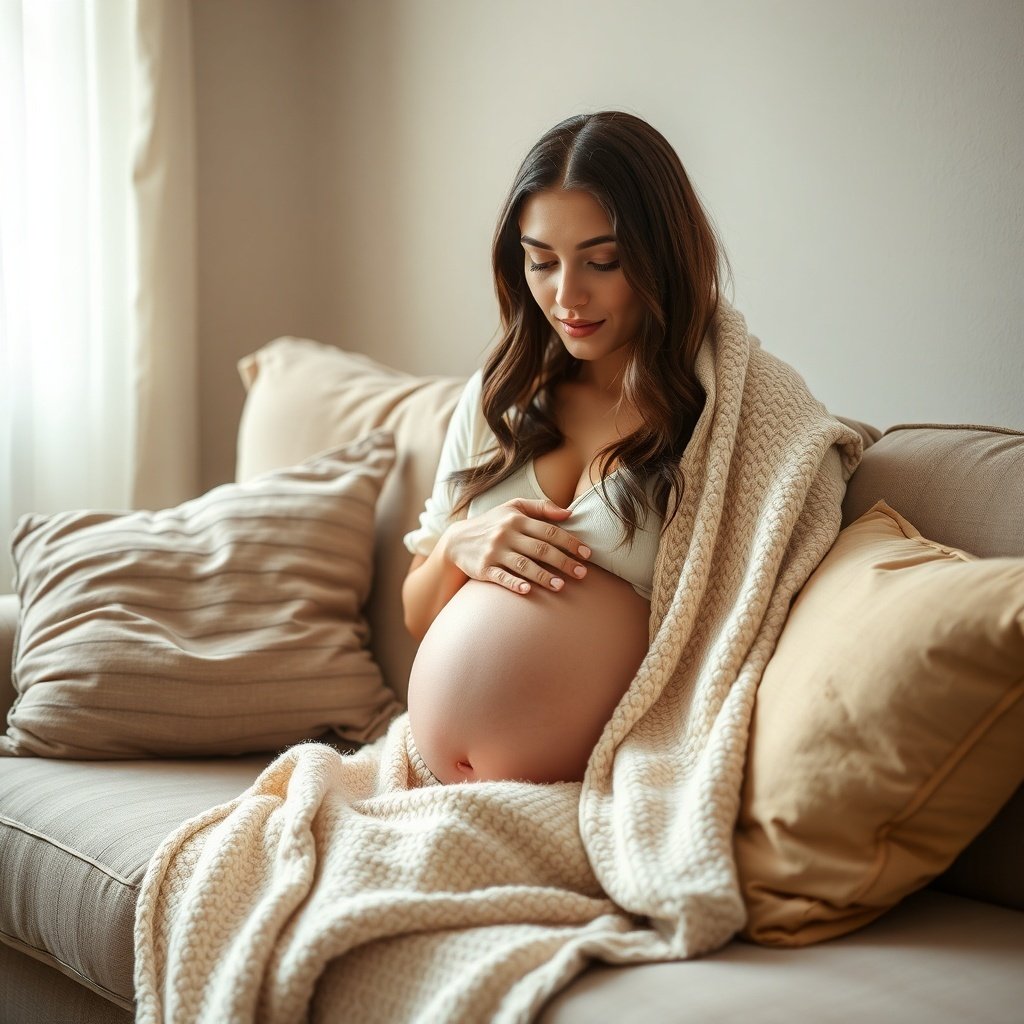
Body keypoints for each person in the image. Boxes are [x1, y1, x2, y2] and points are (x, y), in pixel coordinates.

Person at [401, 111, 729, 786]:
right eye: (541, 261)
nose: (566, 295)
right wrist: (457, 548)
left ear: (659, 256)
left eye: (602, 262)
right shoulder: (502, 395)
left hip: (602, 784)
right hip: (428, 776)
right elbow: (416, 615)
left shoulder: (716, 409)